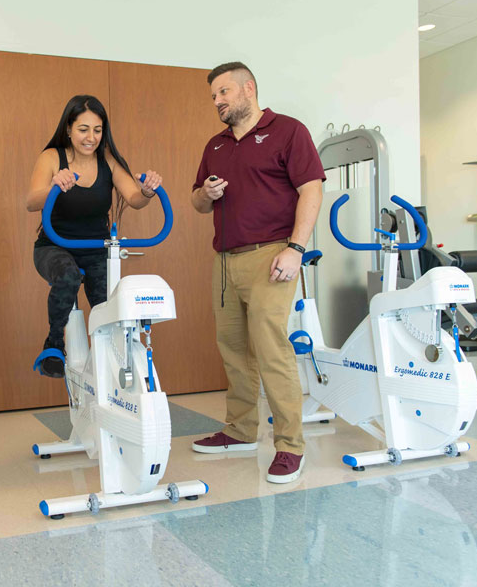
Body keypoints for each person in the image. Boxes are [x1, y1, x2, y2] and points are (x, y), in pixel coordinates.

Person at [190, 62, 324, 484]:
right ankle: (242, 429)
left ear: (249, 88)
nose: (218, 102)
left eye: (224, 92)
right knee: (232, 347)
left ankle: (289, 445)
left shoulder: (288, 131)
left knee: (271, 348)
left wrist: (295, 249)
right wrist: (205, 194)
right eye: (213, 96)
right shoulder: (215, 145)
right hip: (225, 259)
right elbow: (196, 202)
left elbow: (312, 189)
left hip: (272, 255)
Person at [26, 95, 161, 377]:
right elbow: (31, 202)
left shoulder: (107, 161)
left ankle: (110, 360)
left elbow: (135, 198)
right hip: (55, 246)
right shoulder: (52, 157)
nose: (91, 137)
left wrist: (148, 191)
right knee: (68, 276)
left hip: (97, 248)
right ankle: (53, 344)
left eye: (97, 130)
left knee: (107, 301)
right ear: (68, 129)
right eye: (83, 129)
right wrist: (53, 185)